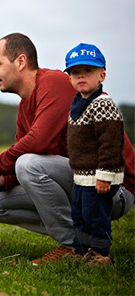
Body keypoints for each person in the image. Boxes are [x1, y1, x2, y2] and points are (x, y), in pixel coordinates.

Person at [0, 33, 135, 265]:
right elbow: (30, 150)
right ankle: (82, 239)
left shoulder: (54, 83)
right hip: (79, 183)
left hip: (114, 188)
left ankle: (73, 246)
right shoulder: (25, 106)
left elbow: (37, 142)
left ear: (20, 62)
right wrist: (2, 180)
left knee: (28, 164)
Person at [65, 43, 125, 265]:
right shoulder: (78, 103)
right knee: (79, 214)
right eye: (75, 73)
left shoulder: (103, 104)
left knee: (95, 215)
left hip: (99, 176)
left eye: (88, 71)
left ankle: (101, 253)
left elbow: (110, 143)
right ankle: (81, 250)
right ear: (70, 78)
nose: (81, 77)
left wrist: (105, 174)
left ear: (102, 75)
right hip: (82, 176)